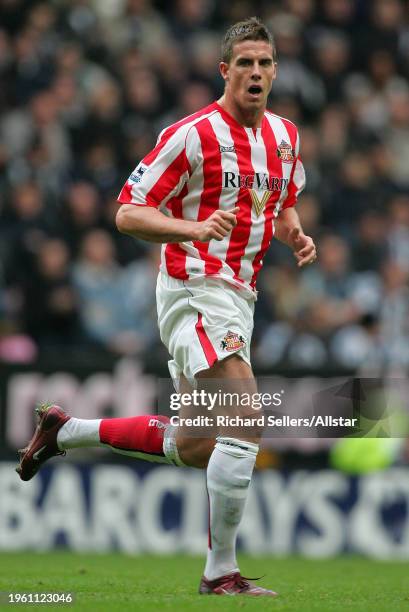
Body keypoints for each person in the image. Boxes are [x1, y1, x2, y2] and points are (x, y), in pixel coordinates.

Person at [16, 17, 316, 597]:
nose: (256, 73)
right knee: (245, 418)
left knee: (200, 442)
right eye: (245, 63)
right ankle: (220, 573)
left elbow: (279, 202)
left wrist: (295, 233)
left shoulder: (285, 136)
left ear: (276, 71)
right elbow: (127, 212)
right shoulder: (191, 134)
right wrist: (194, 226)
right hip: (192, 286)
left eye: (265, 63)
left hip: (239, 295)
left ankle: (66, 429)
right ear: (224, 70)